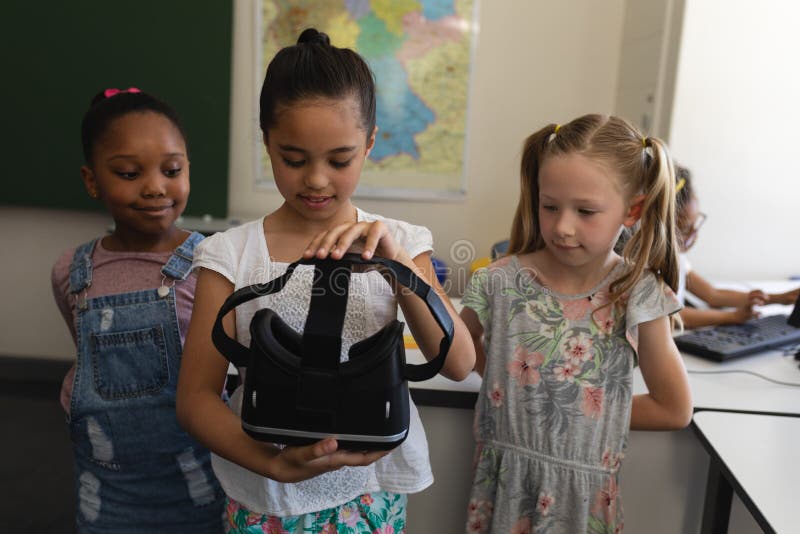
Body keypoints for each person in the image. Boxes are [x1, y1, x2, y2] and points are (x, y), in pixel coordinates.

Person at [176, 28, 475, 533]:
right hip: (266, 495)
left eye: (340, 160)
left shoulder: (400, 241)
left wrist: (396, 265)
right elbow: (195, 399)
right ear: (266, 140)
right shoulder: (229, 255)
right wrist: (273, 464)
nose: (316, 179)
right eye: (293, 159)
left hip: (369, 494)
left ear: (371, 143)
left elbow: (460, 361)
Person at [460, 115, 693, 533]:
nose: (563, 227)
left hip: (582, 505)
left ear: (632, 210)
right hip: (503, 491)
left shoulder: (637, 293)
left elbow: (674, 408)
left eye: (585, 211)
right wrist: (511, 385)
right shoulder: (498, 280)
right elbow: (461, 355)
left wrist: (587, 413)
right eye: (550, 206)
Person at [51, 88, 225, 532]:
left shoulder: (216, 266)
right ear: (92, 181)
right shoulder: (70, 272)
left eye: (172, 170)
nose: (155, 187)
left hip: (204, 488)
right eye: (129, 172)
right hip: (108, 499)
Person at [674, 164, 799, 328]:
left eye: (695, 224)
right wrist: (731, 316)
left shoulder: (678, 257)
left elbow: (713, 295)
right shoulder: (648, 262)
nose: (693, 235)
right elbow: (671, 316)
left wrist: (780, 298)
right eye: (684, 229)